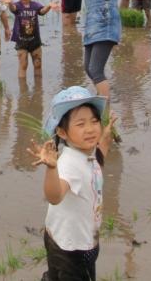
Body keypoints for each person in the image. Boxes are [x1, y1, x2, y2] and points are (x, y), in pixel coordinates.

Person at [27, 86, 116, 281]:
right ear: (62, 132)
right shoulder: (68, 163)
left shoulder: (88, 152)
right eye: (81, 124)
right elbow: (55, 196)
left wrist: (106, 135)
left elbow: (98, 158)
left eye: (94, 121)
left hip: (70, 238)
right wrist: (52, 168)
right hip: (71, 249)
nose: (90, 128)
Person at [4, 0, 58, 80]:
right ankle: (23, 90)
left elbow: (42, 11)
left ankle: (38, 89)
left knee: (38, 65)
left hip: (35, 41)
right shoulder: (17, 6)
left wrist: (49, 6)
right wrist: (10, 3)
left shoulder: (35, 5)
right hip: (21, 42)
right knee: (23, 65)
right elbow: (12, 9)